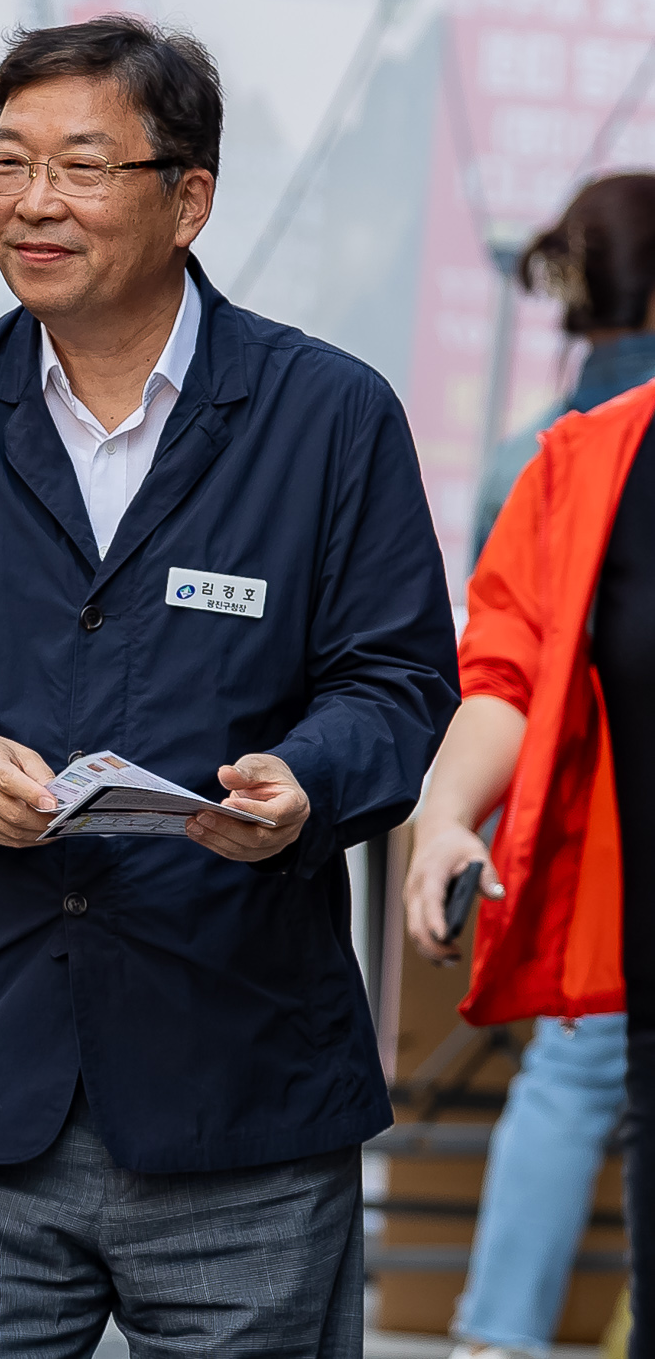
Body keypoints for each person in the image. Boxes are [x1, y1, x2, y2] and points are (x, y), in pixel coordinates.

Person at [0, 14, 459, 1357]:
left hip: (241, 1088)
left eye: (84, 166)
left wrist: (309, 780)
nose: (34, 202)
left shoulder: (326, 417)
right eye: (7, 161)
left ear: (188, 196)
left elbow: (396, 675)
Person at [406, 177, 655, 1359]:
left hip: (605, 913)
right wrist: (447, 811)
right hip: (621, 921)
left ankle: (495, 1336)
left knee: (562, 1081)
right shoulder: (578, 460)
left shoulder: (528, 444)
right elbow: (504, 659)